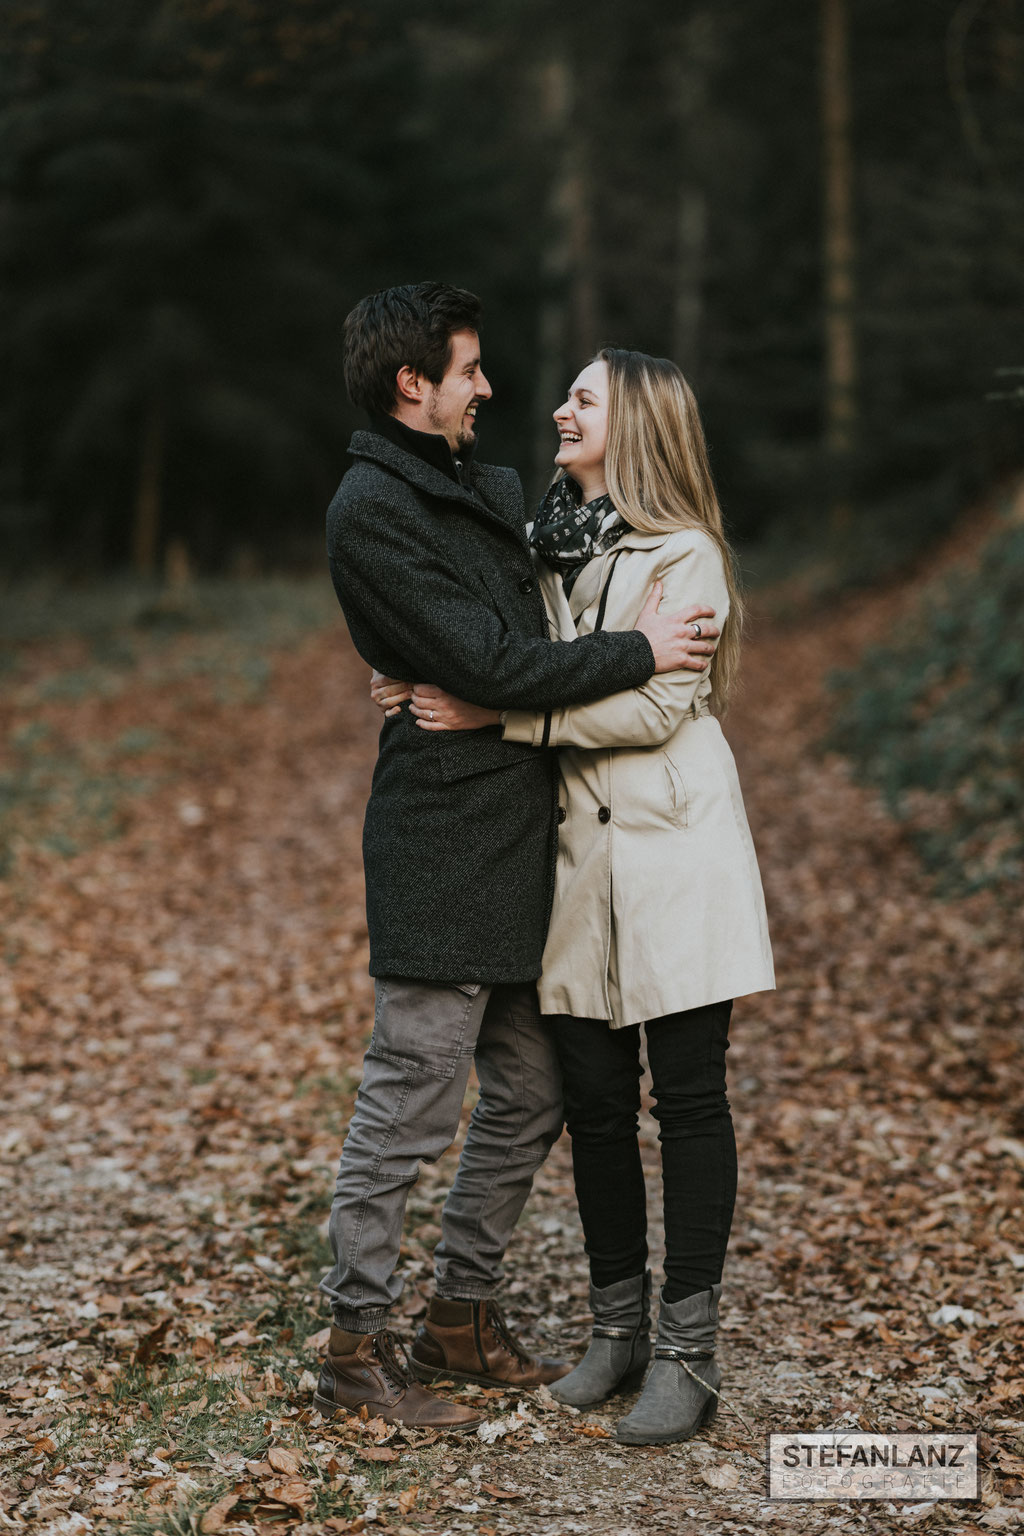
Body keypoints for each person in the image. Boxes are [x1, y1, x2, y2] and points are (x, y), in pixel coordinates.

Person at [316, 286, 721, 1433]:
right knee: (412, 1095)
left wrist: (513, 668)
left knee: (533, 1085)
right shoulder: (371, 509)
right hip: (443, 841)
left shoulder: (482, 490)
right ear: (413, 386)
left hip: (520, 840)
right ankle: (353, 1346)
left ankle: (461, 1312)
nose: (491, 388)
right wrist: (637, 649)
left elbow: (525, 628)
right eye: (471, 369)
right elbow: (493, 661)